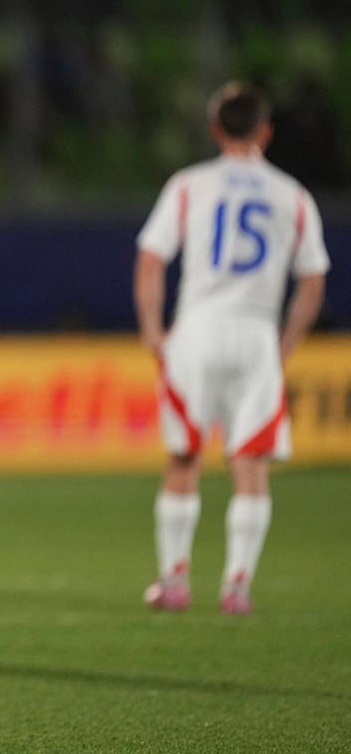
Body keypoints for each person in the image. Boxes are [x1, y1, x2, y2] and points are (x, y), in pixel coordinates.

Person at [134, 81, 329, 615]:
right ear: (265, 131)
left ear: (215, 129)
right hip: (255, 332)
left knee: (184, 456)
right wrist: (283, 346)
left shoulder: (190, 185)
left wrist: (154, 330)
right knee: (251, 465)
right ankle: (236, 588)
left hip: (197, 327)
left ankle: (174, 582)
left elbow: (152, 260)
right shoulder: (292, 195)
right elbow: (312, 281)